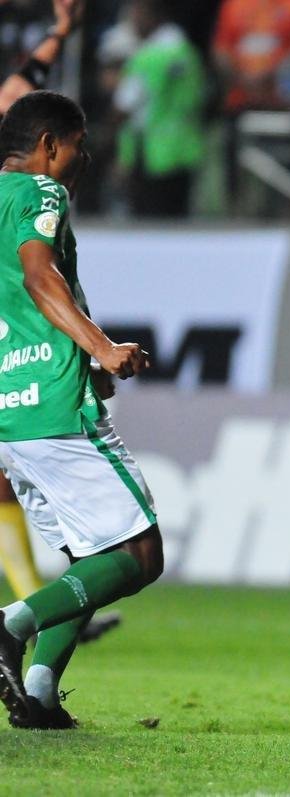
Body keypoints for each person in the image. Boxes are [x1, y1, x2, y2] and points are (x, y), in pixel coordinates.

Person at [0, 91, 163, 730]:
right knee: (138, 553)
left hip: (10, 411)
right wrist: (103, 347)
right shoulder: (42, 195)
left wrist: (85, 362)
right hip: (52, 408)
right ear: (46, 147)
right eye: (76, 145)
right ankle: (12, 627)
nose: (82, 159)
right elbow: (41, 278)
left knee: (87, 556)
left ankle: (39, 691)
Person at [0, 0, 120, 646]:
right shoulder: (31, 189)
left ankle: (28, 606)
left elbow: (17, 93)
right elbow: (17, 94)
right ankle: (19, 614)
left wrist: (57, 36)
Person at [112, 0, 207, 218]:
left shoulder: (148, 57)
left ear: (151, 15)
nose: (132, 23)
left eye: (135, 15)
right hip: (186, 149)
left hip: (151, 156)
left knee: (150, 228)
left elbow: (123, 106)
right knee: (178, 223)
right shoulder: (189, 53)